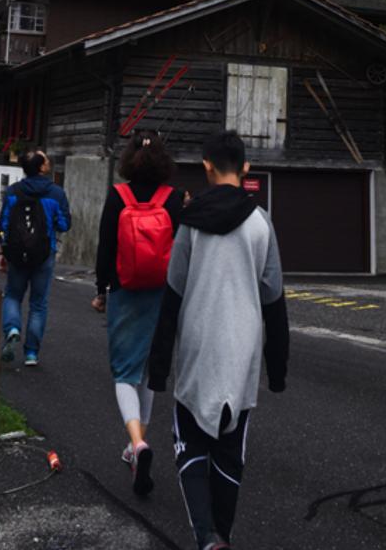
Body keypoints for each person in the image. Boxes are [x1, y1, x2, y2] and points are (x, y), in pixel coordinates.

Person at [148, 129, 289, 550]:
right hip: (242, 351)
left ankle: (207, 538)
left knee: (189, 445)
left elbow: (172, 296)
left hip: (197, 348)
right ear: (245, 169)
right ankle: (221, 536)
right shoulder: (262, 223)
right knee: (230, 452)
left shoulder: (191, 224)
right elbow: (274, 302)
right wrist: (277, 370)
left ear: (206, 167)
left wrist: (157, 369)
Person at [91, 133, 183, 496]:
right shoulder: (173, 199)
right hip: (161, 293)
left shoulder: (118, 196)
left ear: (129, 160)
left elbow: (105, 245)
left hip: (125, 291)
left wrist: (102, 289)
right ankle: (136, 444)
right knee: (147, 371)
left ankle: (137, 443)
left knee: (123, 372)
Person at [0, 147, 71, 367]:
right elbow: (65, 224)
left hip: (17, 254)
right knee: (38, 303)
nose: (48, 161)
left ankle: (12, 328)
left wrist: (3, 251)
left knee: (12, 296)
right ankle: (31, 353)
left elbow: (4, 225)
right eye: (45, 159)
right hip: (44, 254)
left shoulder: (12, 192)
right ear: (41, 167)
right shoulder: (56, 193)